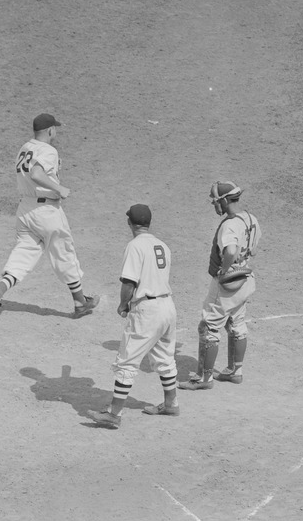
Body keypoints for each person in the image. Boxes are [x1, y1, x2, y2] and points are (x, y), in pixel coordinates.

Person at [0, 113, 100, 323]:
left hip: (25, 211)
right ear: (49, 130)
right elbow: (37, 174)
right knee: (64, 254)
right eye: (55, 128)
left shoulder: (25, 148)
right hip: (46, 212)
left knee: (23, 255)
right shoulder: (48, 150)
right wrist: (59, 188)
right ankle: (80, 303)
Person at [88, 204, 179, 429]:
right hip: (168, 306)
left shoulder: (135, 245)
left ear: (130, 222)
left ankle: (114, 414)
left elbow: (129, 281)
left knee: (127, 361)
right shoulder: (163, 246)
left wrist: (123, 304)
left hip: (147, 311)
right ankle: (171, 404)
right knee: (165, 357)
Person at [179, 181, 262, 391]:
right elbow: (252, 249)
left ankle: (204, 378)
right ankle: (235, 370)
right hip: (245, 278)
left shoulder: (229, 225)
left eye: (215, 201)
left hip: (227, 283)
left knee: (209, 327)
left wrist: (224, 270)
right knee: (237, 322)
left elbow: (231, 250)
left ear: (224, 200)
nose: (214, 205)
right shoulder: (251, 219)